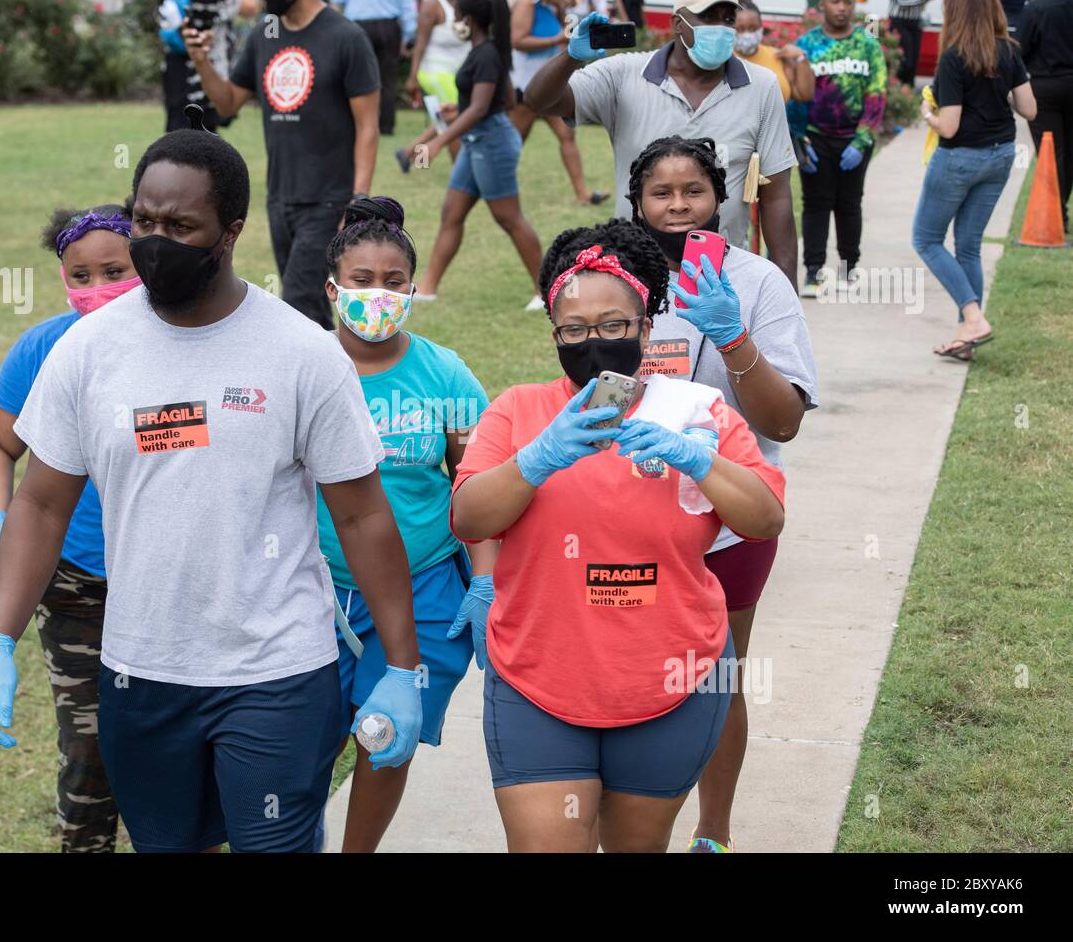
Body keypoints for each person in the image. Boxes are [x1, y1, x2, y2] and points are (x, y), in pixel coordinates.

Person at [0, 129, 424, 854]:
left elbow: (364, 516)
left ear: (232, 231)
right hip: (139, 675)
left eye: (181, 227)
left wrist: (401, 668)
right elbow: (42, 504)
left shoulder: (302, 352)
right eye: (145, 220)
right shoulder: (87, 351)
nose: (156, 241)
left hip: (277, 673)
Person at [450, 218, 787, 853]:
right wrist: (537, 458)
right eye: (574, 331)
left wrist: (696, 460)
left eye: (613, 326)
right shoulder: (519, 410)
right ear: (555, 335)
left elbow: (763, 518)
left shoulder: (694, 413)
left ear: (646, 329)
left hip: (671, 680)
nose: (594, 342)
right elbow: (469, 517)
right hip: (539, 683)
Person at [626, 135, 818, 852]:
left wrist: (734, 338)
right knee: (634, 675)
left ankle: (714, 831)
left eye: (694, 191)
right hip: (627, 519)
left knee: (714, 678)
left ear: (722, 196)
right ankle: (630, 825)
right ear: (636, 201)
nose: (678, 206)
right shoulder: (614, 275)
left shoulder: (761, 281)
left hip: (730, 526)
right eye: (661, 193)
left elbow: (783, 423)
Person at [315, 195, 498, 852]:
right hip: (316, 593)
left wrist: (485, 581)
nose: (378, 294)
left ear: (413, 288)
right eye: (361, 282)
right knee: (304, 744)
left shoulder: (442, 372)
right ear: (332, 288)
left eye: (394, 283)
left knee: (385, 738)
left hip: (423, 591)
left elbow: (476, 484)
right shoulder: (303, 367)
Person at [0, 203, 142, 852]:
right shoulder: (43, 348)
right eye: (81, 275)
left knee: (174, 757)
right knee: (90, 755)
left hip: (168, 582)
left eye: (115, 271)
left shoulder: (180, 340)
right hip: (74, 589)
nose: (98, 290)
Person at [523, 0, 800, 291]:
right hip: (635, 271)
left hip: (722, 272)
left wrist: (785, 291)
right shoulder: (624, 75)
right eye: (708, 18)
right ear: (678, 23)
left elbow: (777, 194)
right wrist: (571, 57)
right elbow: (538, 101)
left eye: (727, 19)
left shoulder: (760, 86)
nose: (720, 28)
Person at [185, 0, 380, 329]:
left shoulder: (347, 37)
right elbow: (228, 103)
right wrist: (201, 60)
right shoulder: (266, 34)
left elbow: (368, 126)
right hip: (280, 198)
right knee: (311, 312)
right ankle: (332, 378)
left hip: (329, 199)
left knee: (298, 302)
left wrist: (357, 200)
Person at [916, 0, 1036, 361]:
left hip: (959, 158)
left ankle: (972, 316)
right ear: (992, 9)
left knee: (927, 239)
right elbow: (1029, 109)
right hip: (1000, 155)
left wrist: (927, 116)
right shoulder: (1009, 51)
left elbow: (949, 127)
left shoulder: (953, 58)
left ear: (955, 12)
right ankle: (966, 340)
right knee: (968, 246)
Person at [413, 0, 544, 310]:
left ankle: (546, 290)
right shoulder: (484, 51)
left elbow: (481, 109)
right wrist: (454, 111)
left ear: (467, 20)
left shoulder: (485, 54)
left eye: (456, 13)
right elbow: (505, 100)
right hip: (477, 140)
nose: (453, 18)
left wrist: (438, 141)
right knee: (452, 213)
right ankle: (427, 288)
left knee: (508, 217)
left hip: (492, 142)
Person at [788, 0, 886, 298]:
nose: (842, 8)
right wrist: (798, 138)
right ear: (822, 4)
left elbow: (877, 92)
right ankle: (814, 272)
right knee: (815, 204)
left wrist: (863, 139)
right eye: (835, 1)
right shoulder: (807, 45)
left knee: (849, 204)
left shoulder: (868, 43)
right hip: (815, 138)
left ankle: (848, 269)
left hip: (854, 140)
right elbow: (795, 95)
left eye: (847, 1)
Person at [510, 0, 610, 206]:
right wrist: (554, 41)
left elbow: (568, 36)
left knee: (567, 136)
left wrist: (563, 7)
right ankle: (494, 186)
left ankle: (582, 194)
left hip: (549, 88)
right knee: (513, 142)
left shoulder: (548, 4)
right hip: (527, 88)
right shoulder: (526, 2)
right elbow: (517, 41)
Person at [158, 0, 257, 134]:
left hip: (199, 66)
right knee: (187, 134)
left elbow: (250, 7)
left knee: (198, 132)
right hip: (190, 68)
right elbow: (251, 6)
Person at [1018, 0, 1073, 234]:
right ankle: (1060, 209)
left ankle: (1057, 214)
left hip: (1045, 86)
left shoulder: (1036, 8)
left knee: (1050, 153)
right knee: (1069, 152)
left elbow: (1020, 50)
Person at [330, 0, 417, 136]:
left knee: (355, 78)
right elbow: (409, 7)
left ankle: (356, 122)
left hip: (358, 26)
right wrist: (408, 37)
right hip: (388, 27)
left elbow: (336, 0)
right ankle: (386, 126)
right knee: (388, 80)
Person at [399, 0, 468, 168]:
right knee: (455, 118)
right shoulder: (432, 4)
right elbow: (420, 43)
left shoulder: (462, 0)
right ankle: (459, 168)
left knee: (443, 121)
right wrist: (412, 77)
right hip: (435, 73)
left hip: (455, 73)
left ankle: (409, 154)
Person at [733, 0, 813, 105]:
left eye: (753, 28)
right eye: (740, 29)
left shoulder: (777, 56)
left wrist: (801, 57)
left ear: (761, 27)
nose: (747, 34)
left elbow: (803, 95)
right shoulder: (723, 59)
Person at [888, 0, 933, 88]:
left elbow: (919, 2)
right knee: (905, 61)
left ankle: (909, 93)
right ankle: (897, 90)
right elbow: (902, 1)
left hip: (915, 23)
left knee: (913, 62)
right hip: (899, 22)